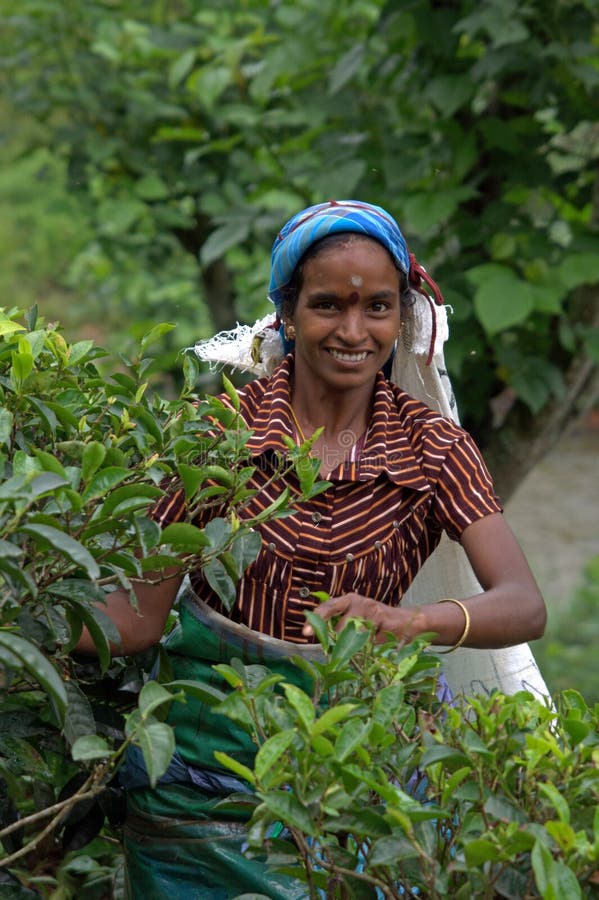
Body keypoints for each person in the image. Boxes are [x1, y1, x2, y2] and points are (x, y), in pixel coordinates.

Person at [77, 200, 547, 898]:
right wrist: (33, 618)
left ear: (401, 318)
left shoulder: (433, 449)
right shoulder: (219, 437)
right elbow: (140, 621)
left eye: (377, 308)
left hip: (351, 777)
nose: (353, 331)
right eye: (327, 305)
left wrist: (411, 621)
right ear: (288, 314)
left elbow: (522, 604)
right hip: (200, 787)